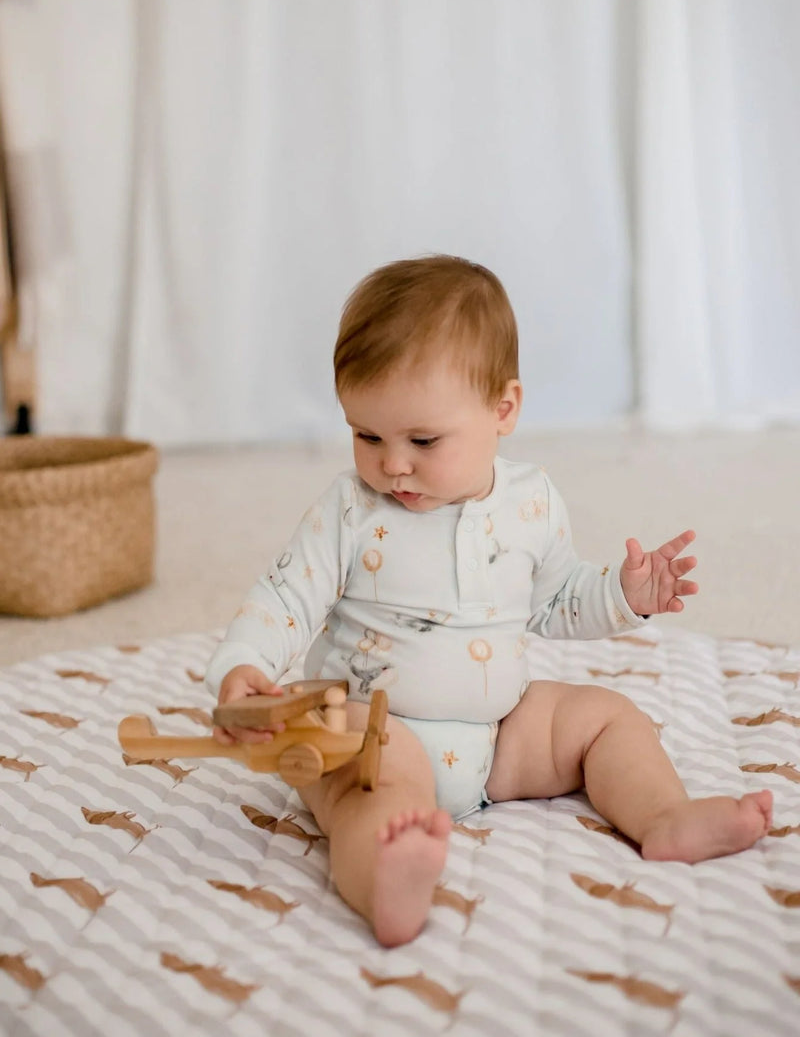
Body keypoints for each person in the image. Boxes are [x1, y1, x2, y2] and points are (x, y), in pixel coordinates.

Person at [204, 255, 773, 948]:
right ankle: (385, 875)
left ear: (503, 409)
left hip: (498, 736)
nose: (392, 464)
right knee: (366, 785)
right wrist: (244, 667)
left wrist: (624, 595)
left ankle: (663, 816)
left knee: (605, 716)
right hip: (375, 724)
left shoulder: (531, 501)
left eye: (422, 440)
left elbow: (557, 600)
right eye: (367, 435)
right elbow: (285, 592)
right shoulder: (350, 511)